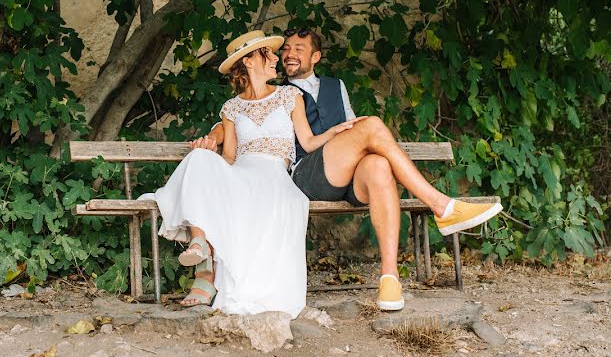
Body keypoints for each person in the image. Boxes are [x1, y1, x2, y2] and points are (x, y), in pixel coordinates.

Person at [197, 27, 503, 311]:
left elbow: (351, 125)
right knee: (372, 126)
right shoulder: (276, 91)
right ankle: (441, 205)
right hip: (307, 176)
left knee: (378, 164)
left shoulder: (335, 86)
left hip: (344, 171)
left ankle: (389, 280)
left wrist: (358, 146)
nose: (288, 54)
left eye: (298, 48)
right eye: (285, 48)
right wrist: (213, 136)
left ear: (315, 57)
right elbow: (237, 119)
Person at [138, 30, 366, 317]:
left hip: (273, 174)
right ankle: (199, 241)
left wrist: (335, 131)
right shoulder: (231, 108)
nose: (276, 57)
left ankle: (208, 266)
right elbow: (230, 157)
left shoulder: (290, 95)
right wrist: (209, 151)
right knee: (199, 157)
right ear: (248, 61)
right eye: (267, 53)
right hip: (242, 171)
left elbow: (307, 142)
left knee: (264, 198)